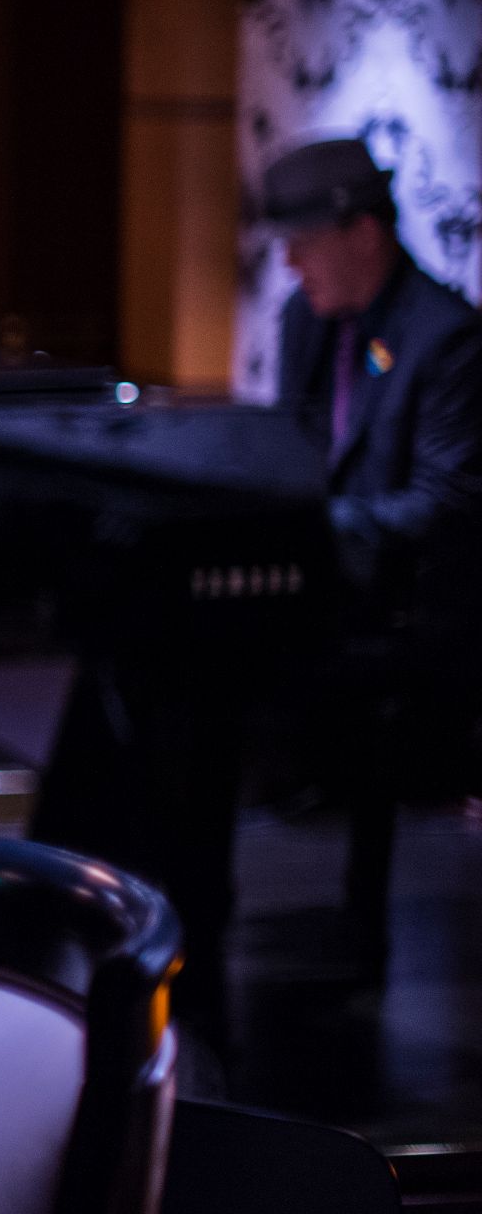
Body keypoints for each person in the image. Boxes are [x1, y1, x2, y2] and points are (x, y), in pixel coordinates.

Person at [266, 136, 482, 980]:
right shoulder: (306, 322)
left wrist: (316, 533)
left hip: (410, 614)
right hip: (326, 590)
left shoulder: (447, 339)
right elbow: (288, 458)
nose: (289, 263)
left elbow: (447, 506)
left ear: (364, 236)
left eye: (304, 242)